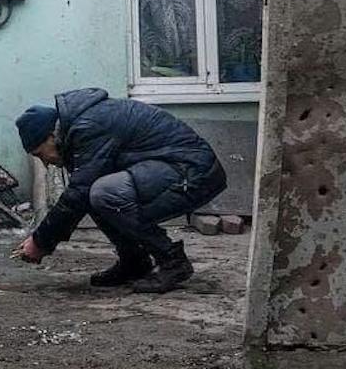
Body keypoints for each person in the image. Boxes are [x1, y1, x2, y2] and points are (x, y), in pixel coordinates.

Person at [13, 87, 228, 293]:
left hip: (193, 172)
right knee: (95, 193)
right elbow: (81, 195)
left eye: (40, 154)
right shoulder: (83, 125)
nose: (45, 163)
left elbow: (78, 194)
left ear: (51, 135)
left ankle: (172, 261)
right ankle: (134, 261)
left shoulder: (89, 126)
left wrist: (40, 241)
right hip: (177, 169)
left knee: (103, 192)